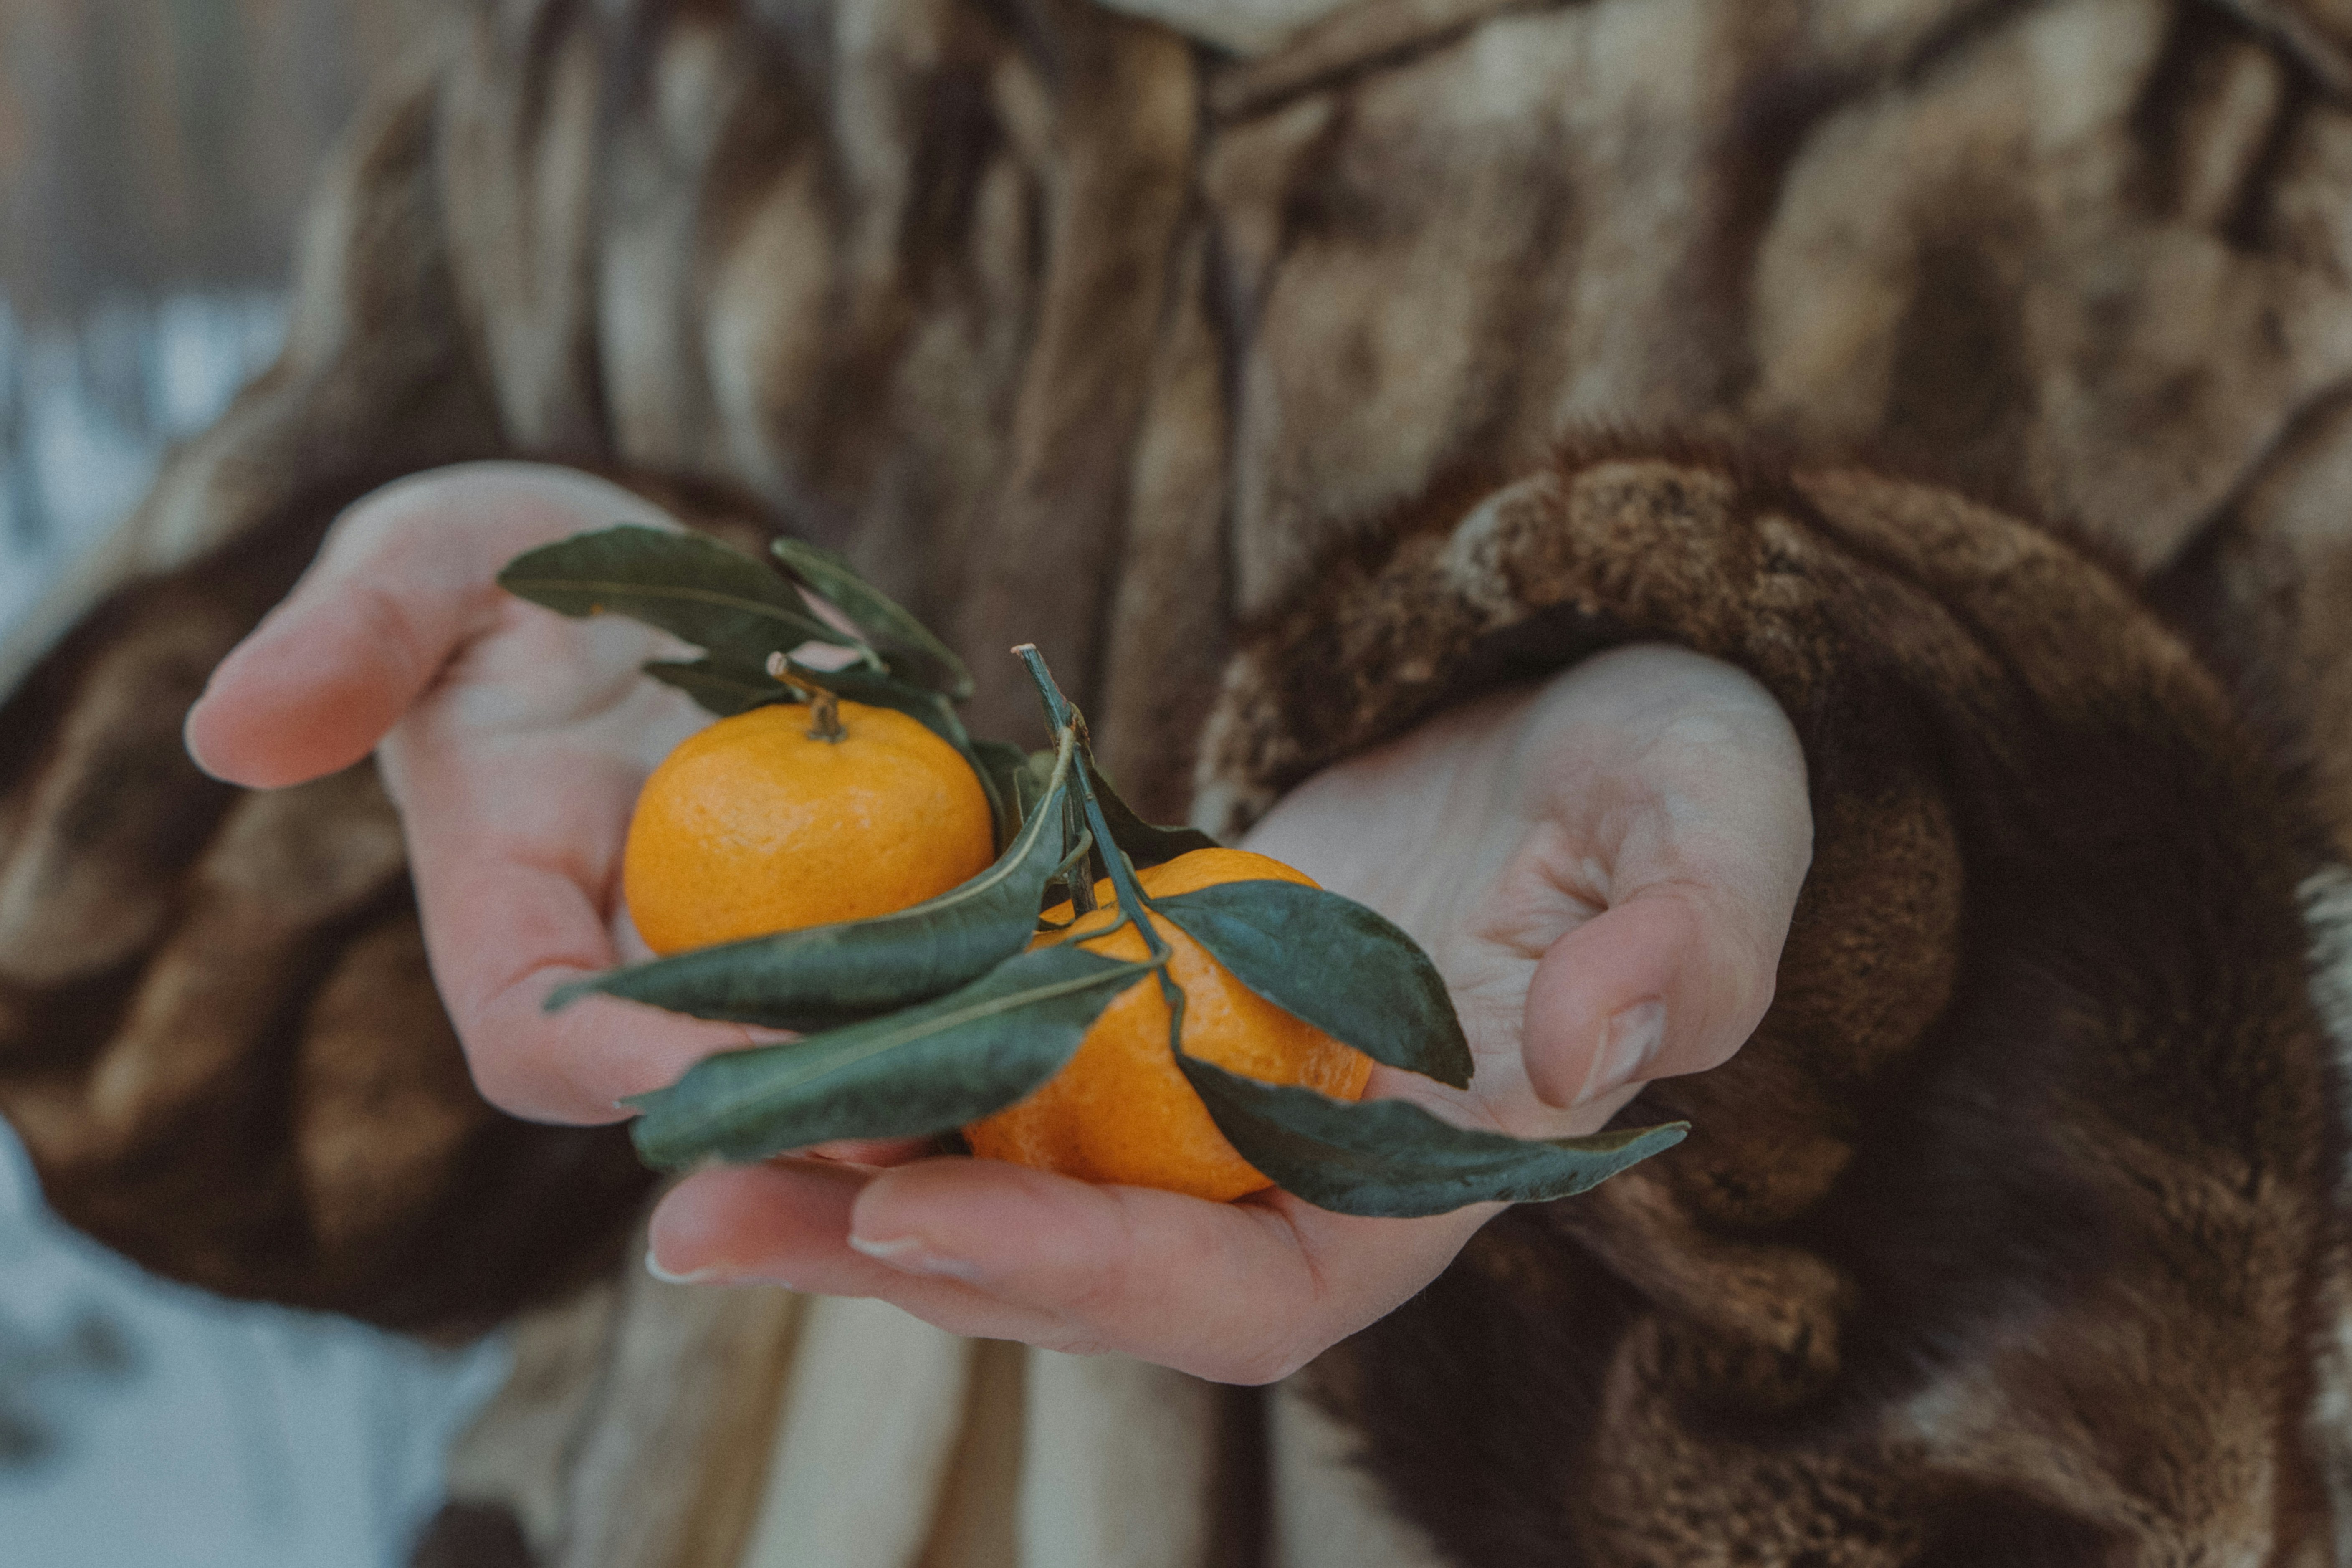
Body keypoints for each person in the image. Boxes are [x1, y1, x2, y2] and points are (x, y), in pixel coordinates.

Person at [4, 1, 2350, 1563]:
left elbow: (2254, 1341)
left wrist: (1818, 939)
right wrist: (399, 776)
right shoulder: (620, 59)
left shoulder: (2195, 128)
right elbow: (154, 1029)